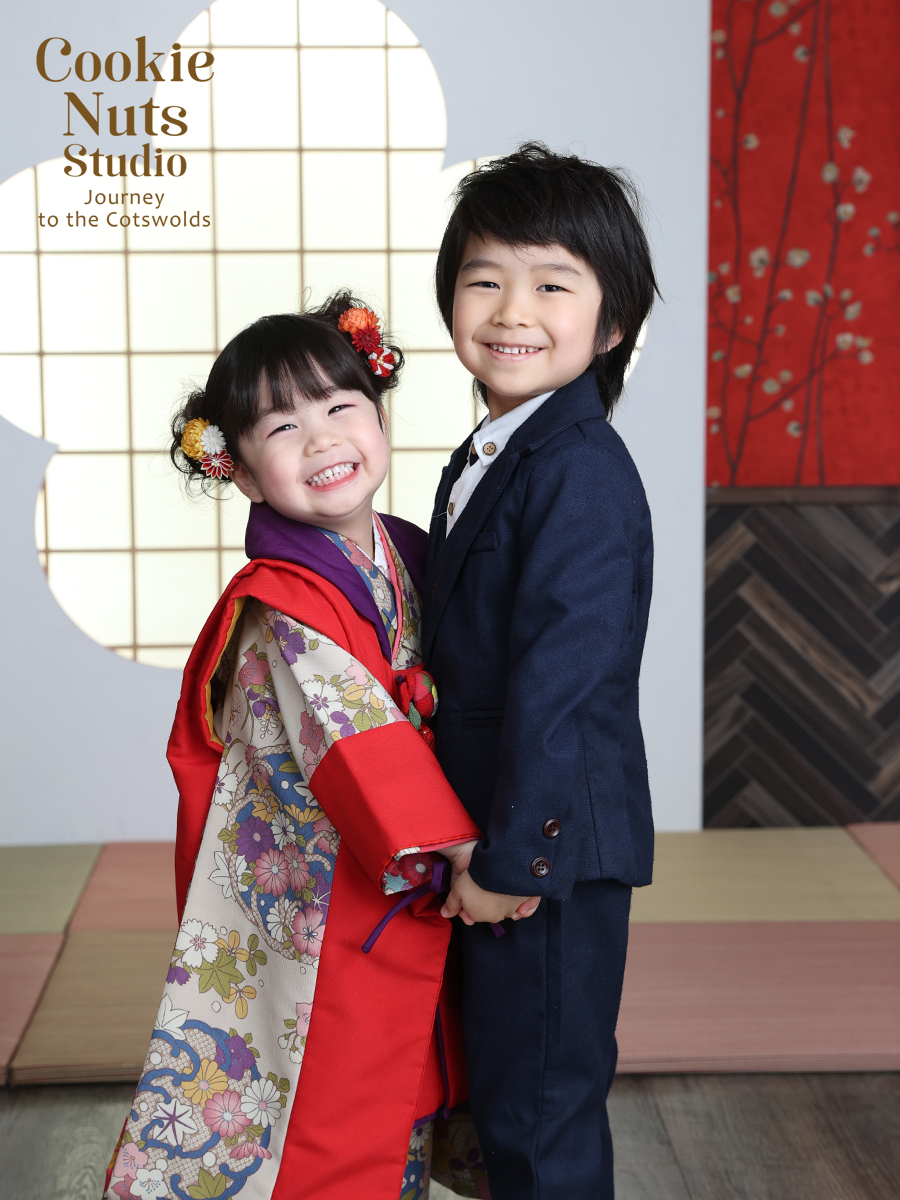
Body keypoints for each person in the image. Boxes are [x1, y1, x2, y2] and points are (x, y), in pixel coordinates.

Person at [104, 294, 508, 1200]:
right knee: (333, 1099)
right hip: (331, 883)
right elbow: (350, 733)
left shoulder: (410, 551)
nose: (322, 438)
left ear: (379, 415)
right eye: (282, 427)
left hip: (389, 869)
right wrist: (464, 851)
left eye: (339, 405)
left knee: (403, 1080)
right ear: (244, 474)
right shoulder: (281, 599)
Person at [425, 143, 659, 1200]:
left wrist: (515, 863)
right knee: (499, 1101)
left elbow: (566, 684)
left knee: (540, 1110)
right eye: (485, 280)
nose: (512, 310)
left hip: (543, 853)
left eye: (552, 285)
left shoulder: (581, 471)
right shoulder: (496, 451)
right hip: (497, 830)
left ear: (612, 325)